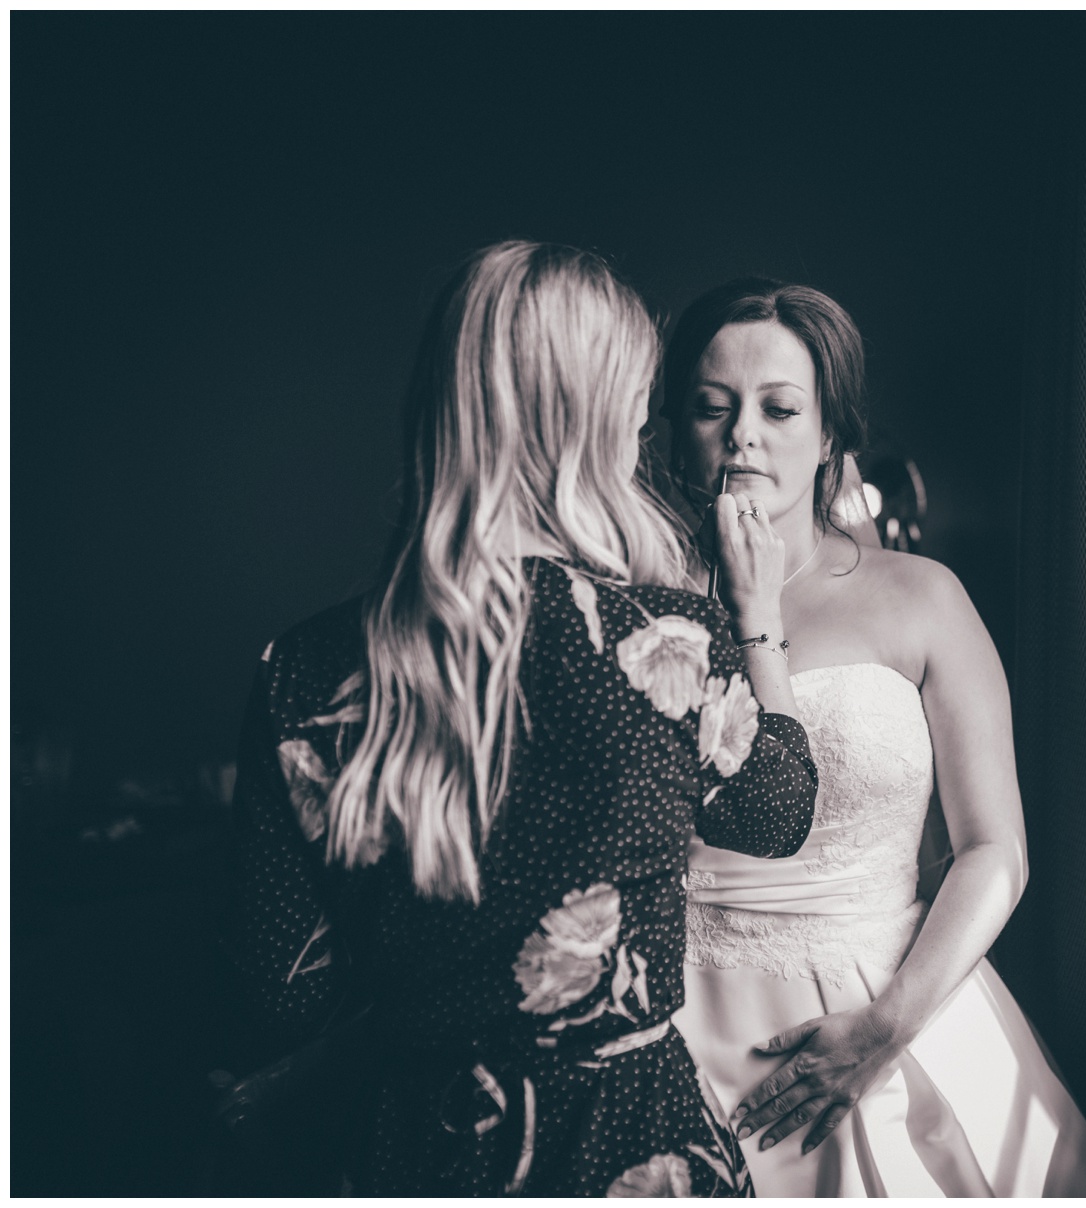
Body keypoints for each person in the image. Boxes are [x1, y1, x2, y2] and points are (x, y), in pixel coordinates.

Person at [227, 243, 821, 1196]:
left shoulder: (300, 670)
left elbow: (280, 997)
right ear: (594, 420)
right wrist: (757, 624)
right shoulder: (664, 641)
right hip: (629, 1145)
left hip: (416, 1147)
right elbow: (775, 814)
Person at [662, 279, 1086, 1196]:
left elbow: (996, 850)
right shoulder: (636, 607)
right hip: (681, 1023)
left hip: (890, 1006)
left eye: (779, 408)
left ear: (830, 433)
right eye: (713, 408)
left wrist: (891, 1024)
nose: (743, 434)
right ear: (681, 426)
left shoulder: (922, 597)